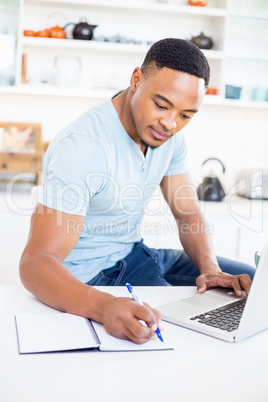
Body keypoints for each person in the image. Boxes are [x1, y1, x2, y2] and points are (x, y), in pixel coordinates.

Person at [19, 38, 255, 344]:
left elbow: (187, 212)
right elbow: (35, 264)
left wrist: (209, 268)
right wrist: (103, 307)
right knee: (187, 330)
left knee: (252, 284)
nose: (170, 124)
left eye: (185, 115)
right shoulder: (82, 147)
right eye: (161, 105)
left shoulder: (168, 138)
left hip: (137, 253)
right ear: (135, 80)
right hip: (96, 276)